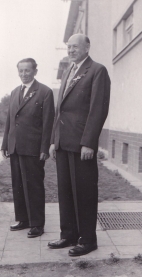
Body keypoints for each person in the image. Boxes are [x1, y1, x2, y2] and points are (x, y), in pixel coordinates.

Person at [48, 34, 110, 256]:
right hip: (63, 142)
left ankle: (87, 239)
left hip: (82, 143)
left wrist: (89, 142)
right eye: (68, 47)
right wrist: (55, 140)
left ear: (87, 47)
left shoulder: (97, 70)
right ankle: (69, 235)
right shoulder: (68, 71)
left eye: (75, 46)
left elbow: (98, 109)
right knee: (65, 191)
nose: (71, 50)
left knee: (84, 192)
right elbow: (60, 110)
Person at [1, 58, 55, 238]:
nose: (24, 74)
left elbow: (48, 123)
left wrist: (44, 148)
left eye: (27, 71)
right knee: (17, 185)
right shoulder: (15, 91)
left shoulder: (44, 92)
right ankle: (23, 219)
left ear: (35, 71)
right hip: (15, 147)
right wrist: (5, 144)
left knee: (34, 186)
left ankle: (37, 224)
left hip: (33, 148)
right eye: (21, 71)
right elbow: (10, 120)